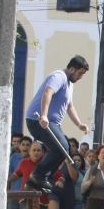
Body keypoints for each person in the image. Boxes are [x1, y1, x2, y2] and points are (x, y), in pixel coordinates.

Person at [24, 55, 90, 192]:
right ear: (72, 69)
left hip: (52, 123)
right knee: (62, 147)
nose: (80, 77)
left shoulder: (69, 84)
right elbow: (48, 92)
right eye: (80, 73)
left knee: (63, 149)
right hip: (38, 120)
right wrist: (43, 115)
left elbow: (69, 106)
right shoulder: (58, 76)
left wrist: (79, 124)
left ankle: (37, 180)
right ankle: (38, 176)